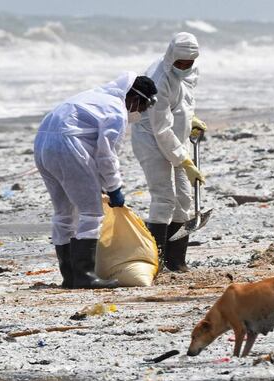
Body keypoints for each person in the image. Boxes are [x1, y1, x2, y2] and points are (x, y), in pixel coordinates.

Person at [34, 73, 158, 289]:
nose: (140, 112)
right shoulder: (116, 110)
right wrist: (114, 188)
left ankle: (70, 277)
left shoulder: (94, 97)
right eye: (143, 106)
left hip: (43, 144)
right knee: (91, 213)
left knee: (64, 214)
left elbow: (91, 144)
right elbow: (106, 155)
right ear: (135, 98)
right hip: (67, 146)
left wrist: (101, 183)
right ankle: (85, 275)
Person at [132, 32, 207, 273]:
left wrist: (190, 119)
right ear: (170, 56)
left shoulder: (189, 71)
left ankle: (177, 261)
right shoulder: (157, 78)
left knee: (184, 200)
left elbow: (183, 100)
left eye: (189, 63)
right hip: (151, 139)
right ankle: (158, 262)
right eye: (180, 63)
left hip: (177, 137)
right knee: (164, 198)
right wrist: (184, 161)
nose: (184, 67)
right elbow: (161, 127)